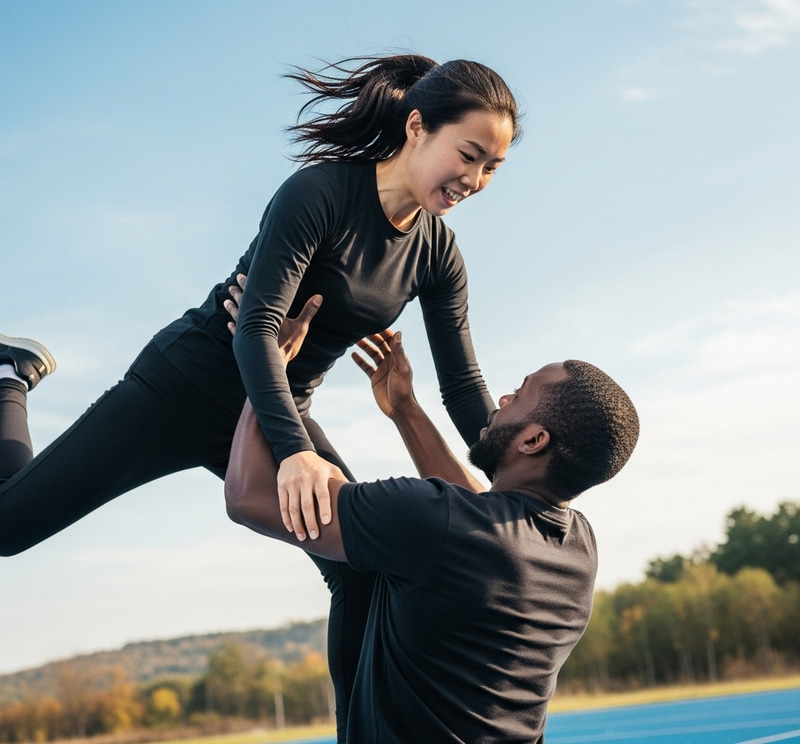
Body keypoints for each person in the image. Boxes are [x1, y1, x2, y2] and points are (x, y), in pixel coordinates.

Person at [0, 54, 520, 736]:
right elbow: (255, 329)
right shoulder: (321, 192)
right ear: (417, 127)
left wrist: (517, 475)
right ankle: (10, 378)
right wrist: (296, 452)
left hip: (274, 409)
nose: (475, 181)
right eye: (469, 156)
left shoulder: (437, 254)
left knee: (361, 567)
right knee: (7, 529)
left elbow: (462, 384)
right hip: (184, 386)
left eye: (492, 168)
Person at [225, 323, 640, 743]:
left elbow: (247, 497)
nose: (503, 398)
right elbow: (476, 514)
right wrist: (405, 409)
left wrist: (269, 368)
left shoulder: (431, 519)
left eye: (519, 394)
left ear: (533, 440)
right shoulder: (578, 548)